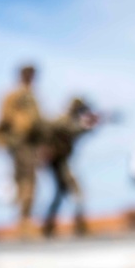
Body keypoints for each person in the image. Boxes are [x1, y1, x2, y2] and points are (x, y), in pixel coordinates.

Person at [0, 64, 45, 238]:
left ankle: (25, 221)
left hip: (31, 144)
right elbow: (4, 119)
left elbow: (38, 122)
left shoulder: (31, 95)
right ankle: (24, 222)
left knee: (28, 181)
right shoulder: (16, 96)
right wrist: (4, 140)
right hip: (20, 144)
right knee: (26, 182)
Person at [41, 97, 100, 238]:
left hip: (60, 160)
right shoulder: (64, 121)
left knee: (60, 193)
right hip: (57, 161)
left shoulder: (70, 121)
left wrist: (89, 126)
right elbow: (70, 130)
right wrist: (86, 126)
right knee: (76, 191)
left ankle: (48, 227)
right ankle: (79, 225)